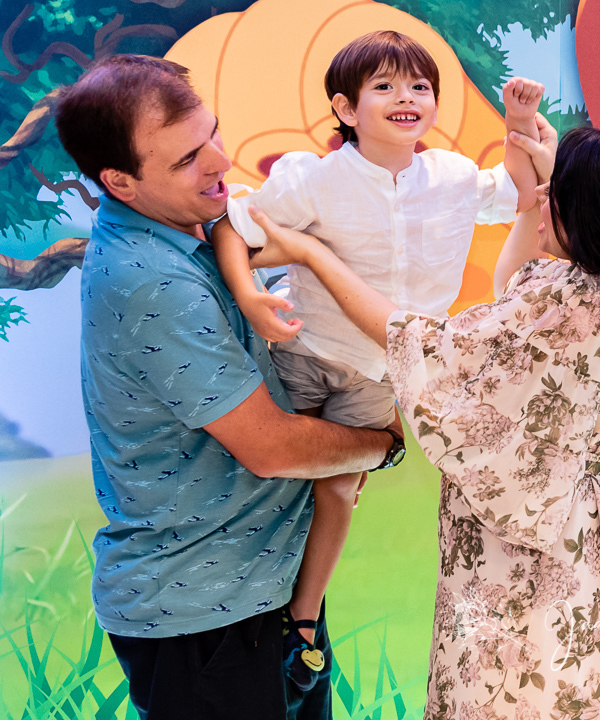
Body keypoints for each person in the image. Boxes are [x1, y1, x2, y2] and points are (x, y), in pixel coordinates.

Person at [245, 120, 600, 720]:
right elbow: (512, 288)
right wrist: (538, 188)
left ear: (593, 217)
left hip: (526, 557)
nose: (545, 202)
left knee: (513, 692)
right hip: (590, 544)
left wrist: (314, 253)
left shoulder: (570, 304)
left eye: (560, 193)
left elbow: (422, 344)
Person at [57, 54, 406, 720]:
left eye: (212, 134)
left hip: (266, 592)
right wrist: (381, 445)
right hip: (203, 618)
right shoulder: (152, 282)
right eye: (187, 160)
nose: (219, 161)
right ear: (119, 181)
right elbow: (270, 447)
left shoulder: (193, 229)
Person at [210, 30, 544, 689]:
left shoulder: (450, 178)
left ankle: (303, 617)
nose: (406, 98)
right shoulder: (312, 178)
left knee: (339, 487)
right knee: (270, 480)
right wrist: (249, 294)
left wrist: (520, 124)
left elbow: (520, 192)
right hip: (302, 350)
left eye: (420, 86)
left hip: (378, 369)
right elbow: (232, 225)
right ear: (345, 107)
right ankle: (240, 601)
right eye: (385, 87)